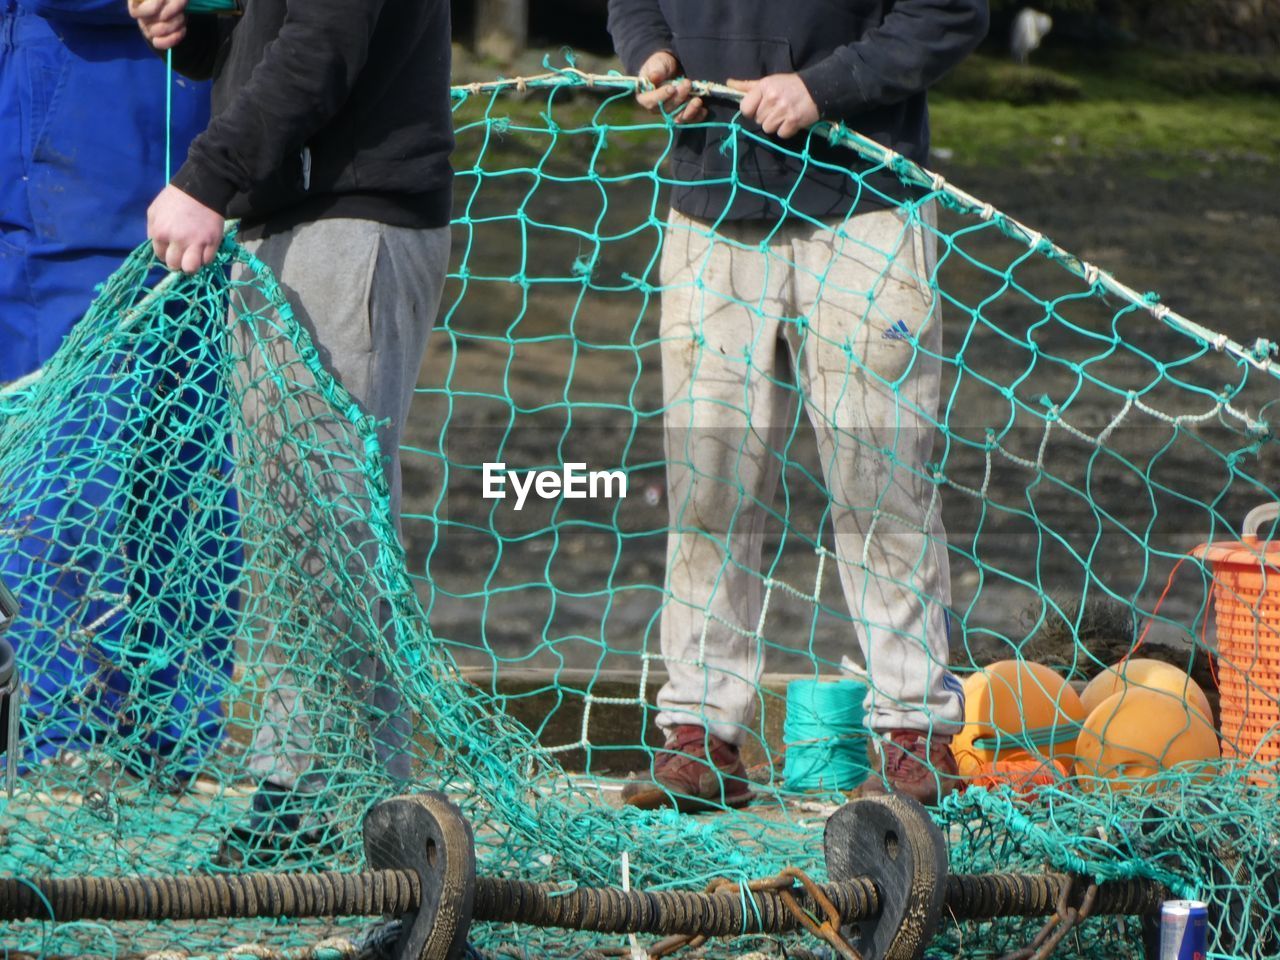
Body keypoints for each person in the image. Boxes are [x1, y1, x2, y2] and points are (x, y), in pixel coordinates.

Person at [607, 0, 988, 809]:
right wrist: (651, 52)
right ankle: (700, 734)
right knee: (707, 485)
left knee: (880, 482)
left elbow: (950, 12)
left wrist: (822, 88)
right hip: (710, 206)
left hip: (865, 205)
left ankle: (916, 730)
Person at [127, 0, 454, 865]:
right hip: (285, 218)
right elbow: (277, 31)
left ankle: (339, 800)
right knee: (289, 526)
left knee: (333, 523)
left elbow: (325, 41)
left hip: (355, 219)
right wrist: (202, 32)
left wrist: (205, 176)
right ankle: (312, 786)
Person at [0, 0, 230, 782]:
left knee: (193, 491)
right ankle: (61, 727)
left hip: (218, 199)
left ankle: (179, 734)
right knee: (62, 488)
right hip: (65, 214)